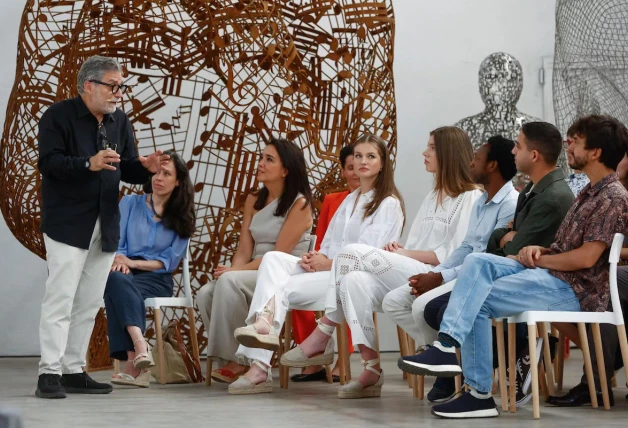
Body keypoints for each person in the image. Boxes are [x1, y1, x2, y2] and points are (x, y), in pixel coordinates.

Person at [398, 114, 628, 419]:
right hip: (555, 275)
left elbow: (586, 259)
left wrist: (540, 258)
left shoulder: (612, 196)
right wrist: (540, 250)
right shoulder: (589, 192)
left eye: (576, 141)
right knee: (476, 261)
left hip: (574, 288)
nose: (568, 145)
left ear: (596, 152)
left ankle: (477, 392)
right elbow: (571, 249)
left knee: (476, 297)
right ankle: (446, 350)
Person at [279, 126, 483, 399]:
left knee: (351, 252)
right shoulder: (432, 197)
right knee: (353, 280)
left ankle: (324, 331)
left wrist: (405, 254)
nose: (424, 152)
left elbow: (454, 255)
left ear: (448, 153)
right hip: (417, 268)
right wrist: (400, 250)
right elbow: (417, 246)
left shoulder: (471, 197)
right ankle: (371, 369)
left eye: (432, 147)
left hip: (440, 275)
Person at [231, 134, 405, 395]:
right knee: (273, 259)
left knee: (279, 290)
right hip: (327, 274)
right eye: (358, 156)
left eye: (370, 156)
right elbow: (329, 244)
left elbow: (370, 256)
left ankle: (259, 365)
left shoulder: (388, 204)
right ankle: (264, 325)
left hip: (353, 278)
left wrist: (327, 263)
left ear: (382, 164)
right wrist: (315, 259)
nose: (362, 162)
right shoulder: (349, 201)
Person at [35, 55, 167, 399]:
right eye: (113, 86)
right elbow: (48, 164)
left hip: (106, 223)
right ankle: (48, 372)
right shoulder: (57, 116)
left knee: (89, 302)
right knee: (60, 298)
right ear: (89, 86)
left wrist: (147, 168)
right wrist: (86, 164)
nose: (118, 94)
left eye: (121, 87)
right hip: (68, 222)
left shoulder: (118, 121)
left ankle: (73, 370)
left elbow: (125, 169)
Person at [416, 122, 575, 404]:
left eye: (519, 145)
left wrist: (505, 238)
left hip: (546, 277)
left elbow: (513, 247)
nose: (514, 151)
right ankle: (474, 387)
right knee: (466, 289)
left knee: (472, 279)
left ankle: (455, 361)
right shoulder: (532, 191)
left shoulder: (552, 196)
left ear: (534, 155)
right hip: (527, 270)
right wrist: (504, 236)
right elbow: (500, 240)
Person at [195, 138, 314, 384]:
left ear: (285, 170)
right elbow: (244, 249)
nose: (260, 164)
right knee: (206, 292)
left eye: (268, 159)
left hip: (283, 270)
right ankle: (230, 357)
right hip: (255, 268)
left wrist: (234, 273)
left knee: (229, 282)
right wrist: (233, 268)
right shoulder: (253, 199)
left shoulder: (300, 204)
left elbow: (277, 256)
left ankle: (240, 362)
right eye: (261, 157)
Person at [104, 151, 195, 387]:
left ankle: (135, 362)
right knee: (116, 280)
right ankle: (140, 346)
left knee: (115, 287)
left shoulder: (183, 216)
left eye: (167, 174)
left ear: (178, 182)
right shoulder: (130, 203)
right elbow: (118, 243)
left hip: (156, 279)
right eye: (157, 172)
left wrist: (130, 263)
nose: (159, 178)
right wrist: (123, 261)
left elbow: (168, 262)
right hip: (122, 270)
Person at [547, 154, 628, 407]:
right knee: (597, 283)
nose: (622, 160)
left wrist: (607, 253)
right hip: (611, 263)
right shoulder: (599, 192)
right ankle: (601, 373)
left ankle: (598, 377)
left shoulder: (614, 194)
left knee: (604, 283)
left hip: (615, 266)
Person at [291, 145, 360, 383]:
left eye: (358, 166)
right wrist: (313, 259)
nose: (355, 173)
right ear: (342, 171)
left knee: (349, 289)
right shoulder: (332, 200)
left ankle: (344, 359)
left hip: (353, 268)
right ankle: (314, 358)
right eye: (349, 168)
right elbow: (320, 240)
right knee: (295, 289)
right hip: (325, 265)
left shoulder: (380, 202)